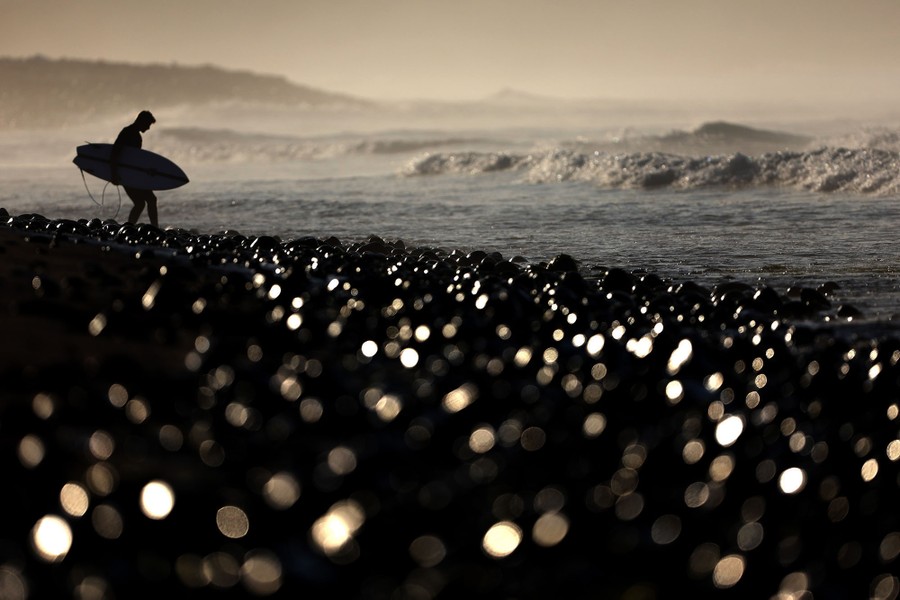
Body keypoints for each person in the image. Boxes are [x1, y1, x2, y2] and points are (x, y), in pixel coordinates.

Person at [111, 110, 159, 227]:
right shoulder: (127, 132)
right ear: (142, 121)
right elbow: (115, 153)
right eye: (148, 125)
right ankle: (154, 228)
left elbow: (135, 159)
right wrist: (114, 173)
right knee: (148, 201)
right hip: (127, 175)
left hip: (132, 174)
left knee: (141, 203)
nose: (148, 128)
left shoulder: (135, 135)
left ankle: (130, 227)